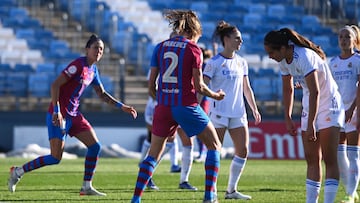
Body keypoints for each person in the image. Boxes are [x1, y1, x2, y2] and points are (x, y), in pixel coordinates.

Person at [7, 34, 137, 196]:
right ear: (87, 49)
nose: (99, 51)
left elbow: (102, 94)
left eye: (102, 49)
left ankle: (86, 187)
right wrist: (57, 111)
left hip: (74, 115)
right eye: (96, 47)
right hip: (59, 116)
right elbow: (55, 86)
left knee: (95, 147)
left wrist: (121, 106)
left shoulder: (93, 70)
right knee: (55, 157)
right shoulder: (78, 65)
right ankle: (17, 172)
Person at [131, 9, 225, 203]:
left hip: (163, 106)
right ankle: (210, 196)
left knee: (153, 154)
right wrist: (216, 95)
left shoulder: (160, 47)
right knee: (214, 145)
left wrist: (164, 100)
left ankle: (136, 199)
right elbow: (199, 86)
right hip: (186, 105)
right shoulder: (193, 49)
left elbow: (151, 86)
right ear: (194, 31)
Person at [264, 28, 345, 203]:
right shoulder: (284, 61)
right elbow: (288, 88)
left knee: (329, 159)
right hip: (311, 105)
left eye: (271, 52)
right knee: (311, 159)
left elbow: (316, 91)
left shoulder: (305, 57)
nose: (270, 56)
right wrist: (287, 117)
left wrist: (311, 125)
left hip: (329, 104)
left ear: (283, 48)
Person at [202, 20, 261, 200]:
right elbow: (202, 86)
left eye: (240, 38)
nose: (240, 41)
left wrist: (254, 108)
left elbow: (246, 88)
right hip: (218, 114)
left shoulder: (242, 62)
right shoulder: (213, 63)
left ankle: (231, 190)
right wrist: (197, 108)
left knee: (243, 150)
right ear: (226, 39)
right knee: (215, 151)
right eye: (237, 38)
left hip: (238, 114)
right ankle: (211, 190)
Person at [329, 25, 360, 203]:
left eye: (347, 37)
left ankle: (349, 195)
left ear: (354, 40)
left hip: (354, 111)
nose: (343, 40)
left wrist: (354, 109)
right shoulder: (333, 62)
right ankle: (351, 191)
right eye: (341, 37)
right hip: (338, 113)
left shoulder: (357, 60)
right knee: (340, 153)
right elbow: (330, 89)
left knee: (353, 153)